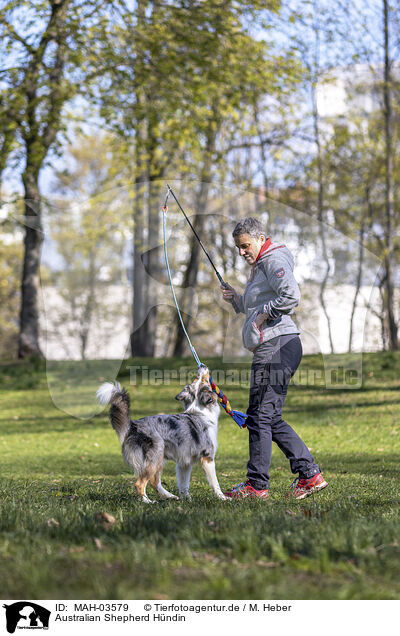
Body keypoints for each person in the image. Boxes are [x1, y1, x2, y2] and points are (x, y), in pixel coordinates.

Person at [221, 217, 327, 500]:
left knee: (259, 417)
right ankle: (309, 475)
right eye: (238, 248)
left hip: (277, 347)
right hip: (278, 346)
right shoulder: (259, 265)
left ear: (259, 238)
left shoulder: (272, 259)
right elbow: (256, 305)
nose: (242, 252)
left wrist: (264, 315)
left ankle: (256, 486)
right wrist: (237, 299)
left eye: (245, 246)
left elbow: (290, 296)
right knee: (268, 417)